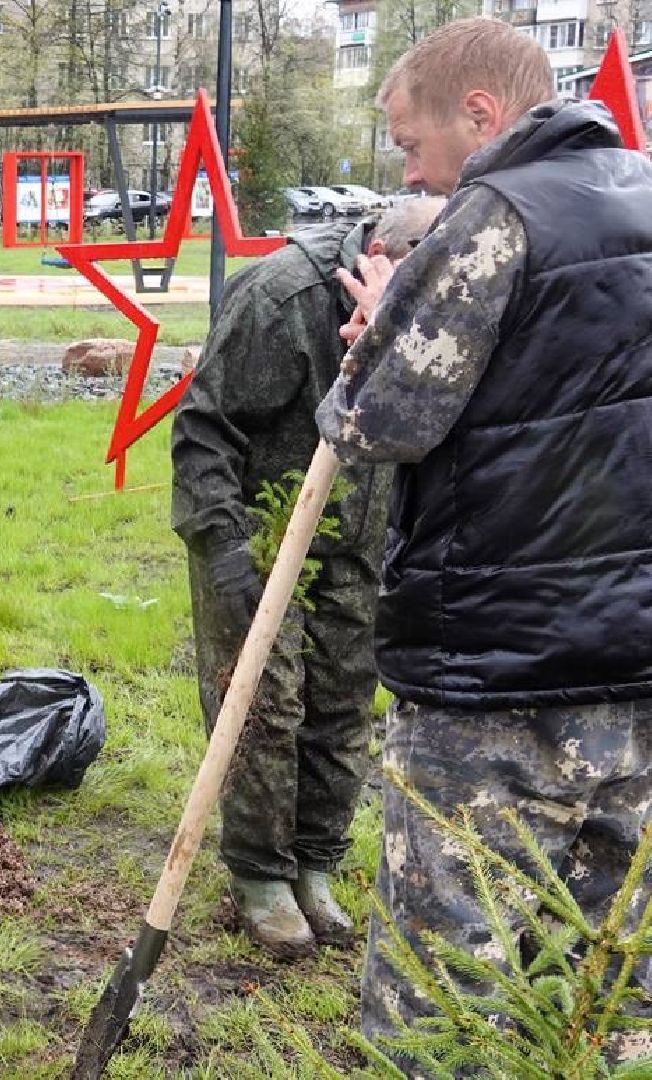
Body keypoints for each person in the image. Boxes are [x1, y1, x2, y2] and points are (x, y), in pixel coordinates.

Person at [315, 18, 652, 1053]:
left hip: (497, 669)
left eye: (412, 143)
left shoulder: (493, 217)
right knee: (615, 976)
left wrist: (377, 337)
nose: (407, 166)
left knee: (449, 977)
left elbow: (377, 424)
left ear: (481, 114)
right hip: (639, 664)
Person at [170, 198, 443, 958]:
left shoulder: (447, 305)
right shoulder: (282, 297)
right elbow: (204, 429)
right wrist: (227, 552)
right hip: (258, 530)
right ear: (381, 259)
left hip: (360, 534)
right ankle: (260, 872)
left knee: (343, 699)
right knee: (265, 699)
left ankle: (315, 860)